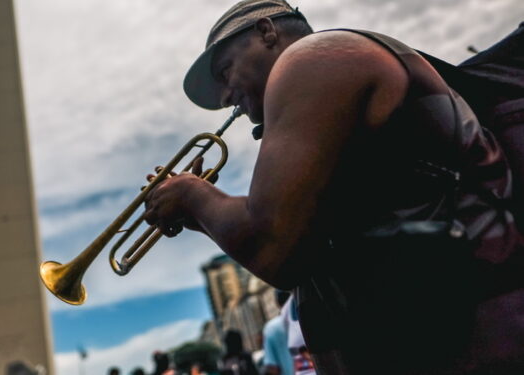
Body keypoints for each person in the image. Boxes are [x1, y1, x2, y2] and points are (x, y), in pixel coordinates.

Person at [143, 0, 524, 373]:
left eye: (225, 72)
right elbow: (301, 245)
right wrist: (204, 216)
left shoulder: (313, 59)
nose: (226, 97)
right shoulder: (327, 81)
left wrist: (192, 195)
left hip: (467, 345)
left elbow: (272, 247)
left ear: (266, 31)